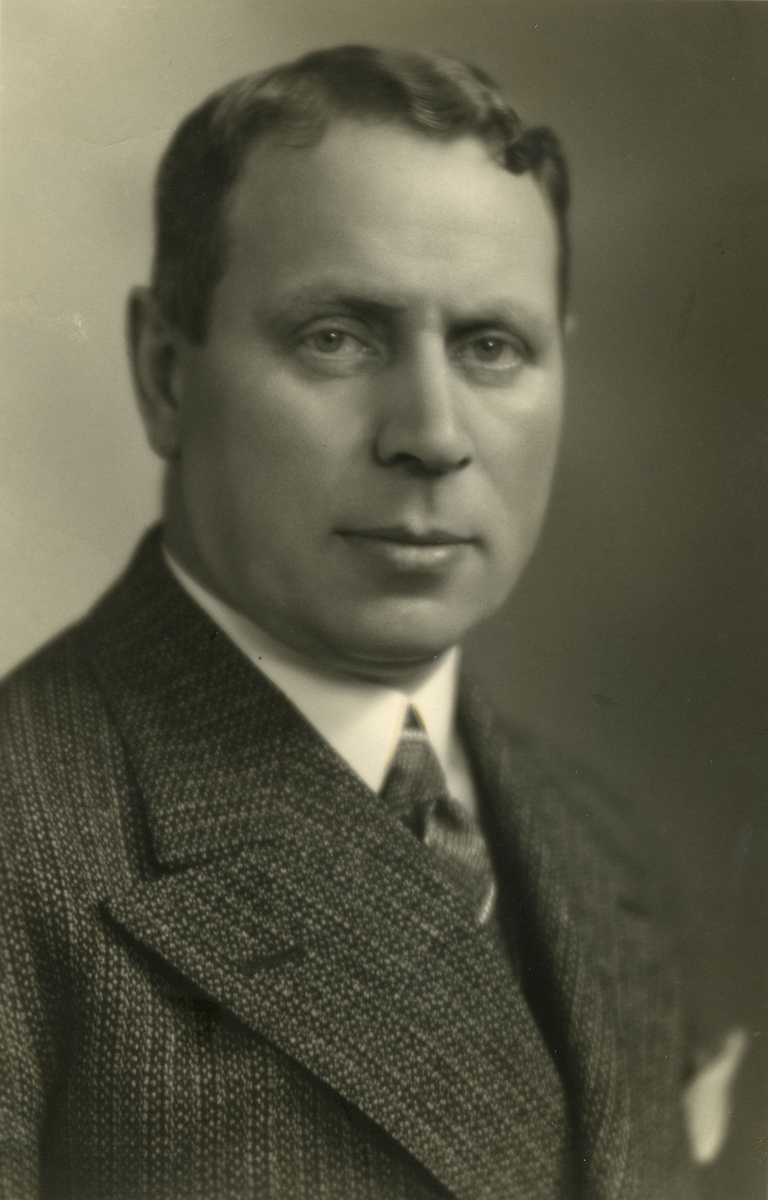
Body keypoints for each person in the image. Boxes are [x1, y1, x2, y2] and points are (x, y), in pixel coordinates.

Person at [0, 45, 708, 1200]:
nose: (431, 433)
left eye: (491, 347)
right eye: (337, 336)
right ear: (167, 373)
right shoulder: (22, 835)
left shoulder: (603, 849)